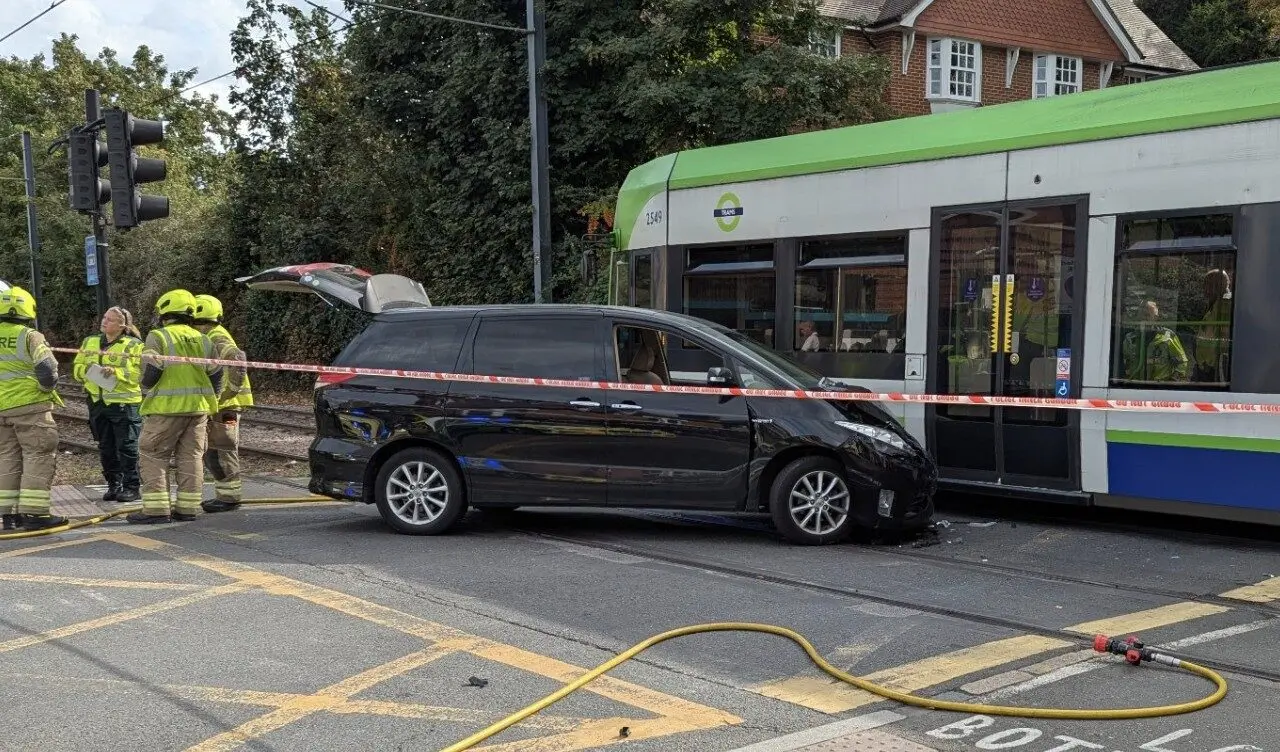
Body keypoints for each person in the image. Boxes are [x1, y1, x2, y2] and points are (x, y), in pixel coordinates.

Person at [129, 289, 223, 525]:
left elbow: (152, 371)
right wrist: (213, 397)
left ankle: (156, 510)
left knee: (153, 455)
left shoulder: (158, 337)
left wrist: (144, 388)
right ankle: (188, 509)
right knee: (191, 457)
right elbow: (217, 373)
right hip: (198, 409)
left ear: (165, 312)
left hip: (166, 409)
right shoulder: (204, 339)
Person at [0, 286, 67, 531]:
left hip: (1, 410)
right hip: (29, 407)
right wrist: (45, 388)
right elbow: (47, 369)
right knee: (38, 455)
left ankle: (6, 516)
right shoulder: (30, 335)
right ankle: (35, 514)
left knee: (6, 457)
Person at [72, 306, 144, 503]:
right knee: (106, 447)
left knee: (127, 447)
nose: (104, 322)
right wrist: (86, 369)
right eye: (104, 317)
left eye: (110, 320)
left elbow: (140, 374)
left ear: (122, 326)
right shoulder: (90, 341)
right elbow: (77, 368)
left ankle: (132, 486)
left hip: (124, 404)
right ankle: (114, 485)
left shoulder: (134, 345)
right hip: (97, 402)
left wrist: (117, 372)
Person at [192, 294, 252, 513]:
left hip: (226, 405)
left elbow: (237, 359)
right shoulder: (211, 334)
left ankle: (229, 498)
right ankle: (226, 495)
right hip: (224, 404)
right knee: (215, 451)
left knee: (221, 450)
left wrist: (227, 393)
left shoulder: (216, 336)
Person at [1121, 300, 1188, 383]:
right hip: (1136, 388)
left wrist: (1172, 382)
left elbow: (1182, 363)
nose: (1143, 319)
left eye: (1147, 315)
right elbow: (1126, 363)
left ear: (1155, 318)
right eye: (1140, 316)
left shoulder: (1168, 336)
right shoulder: (1130, 339)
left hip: (1160, 389)